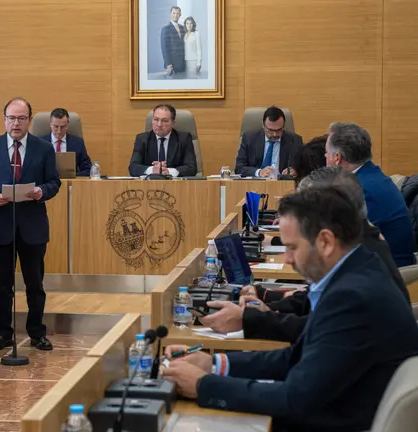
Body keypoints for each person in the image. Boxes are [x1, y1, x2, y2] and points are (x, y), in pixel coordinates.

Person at [163, 186, 418, 432]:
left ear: (326, 242)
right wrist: (214, 363)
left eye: (293, 247)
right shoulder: (358, 271)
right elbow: (296, 357)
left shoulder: (353, 297)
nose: (287, 259)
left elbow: (294, 398)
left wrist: (202, 385)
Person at [200, 166, 409, 343]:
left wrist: (255, 320)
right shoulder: (359, 246)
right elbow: (312, 303)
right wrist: (265, 301)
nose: (289, 259)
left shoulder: (358, 279)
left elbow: (314, 330)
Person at [0, 97, 61, 351]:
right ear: (4, 120)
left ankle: (36, 333)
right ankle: (3, 333)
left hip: (32, 226)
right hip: (1, 225)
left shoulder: (43, 149)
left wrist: (41, 192)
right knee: (2, 284)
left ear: (29, 121)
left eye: (22, 118)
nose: (16, 123)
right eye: (11, 118)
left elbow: (54, 183)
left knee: (35, 284)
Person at [326, 122, 416, 267]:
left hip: (385, 274)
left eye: (326, 154)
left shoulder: (362, 189)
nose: (325, 158)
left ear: (337, 158)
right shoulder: (373, 176)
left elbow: (348, 244)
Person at [128, 104, 197, 177]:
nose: (159, 124)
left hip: (176, 185)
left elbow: (191, 168)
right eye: (156, 119)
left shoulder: (184, 139)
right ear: (152, 120)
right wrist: (153, 170)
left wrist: (168, 171)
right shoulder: (142, 139)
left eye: (164, 121)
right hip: (150, 185)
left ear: (173, 123)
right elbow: (133, 167)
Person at [234, 106, 303, 178]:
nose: (275, 134)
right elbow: (239, 168)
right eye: (270, 130)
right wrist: (259, 172)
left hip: (282, 185)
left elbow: (305, 169)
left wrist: (296, 171)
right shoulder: (249, 139)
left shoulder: (295, 141)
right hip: (255, 184)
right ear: (263, 125)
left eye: (279, 130)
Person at [38, 108, 92, 176]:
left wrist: (72, 175)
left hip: (70, 183)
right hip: (46, 184)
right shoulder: (39, 143)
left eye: (63, 127)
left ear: (68, 124)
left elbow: (88, 170)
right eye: (56, 126)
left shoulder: (78, 143)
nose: (59, 131)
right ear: (50, 124)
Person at [161, 6, 186, 76]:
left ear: (180, 15)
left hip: (183, 64)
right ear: (170, 14)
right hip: (172, 65)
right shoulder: (166, 29)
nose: (175, 15)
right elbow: (164, 48)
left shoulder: (182, 28)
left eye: (177, 13)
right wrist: (168, 64)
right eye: (174, 13)